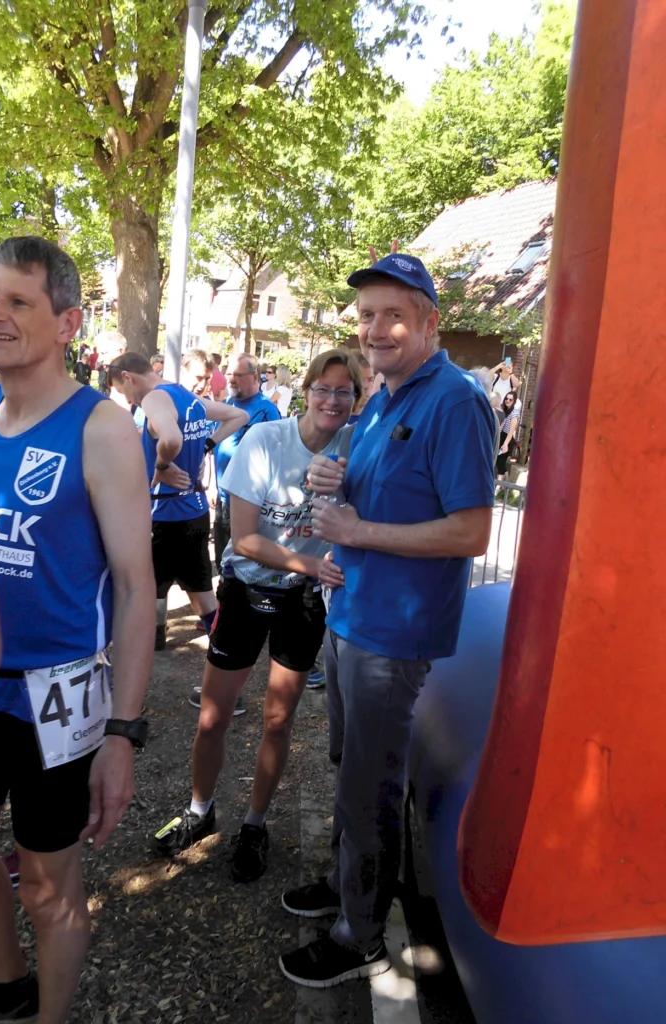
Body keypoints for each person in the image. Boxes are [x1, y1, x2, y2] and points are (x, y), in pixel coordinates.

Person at [0, 236, 156, 1024]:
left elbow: (137, 589)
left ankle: (52, 1017)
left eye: (17, 301)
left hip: (55, 702)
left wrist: (124, 734)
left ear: (67, 322)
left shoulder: (99, 429)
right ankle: (7, 985)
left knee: (46, 883)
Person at [278, 252, 494, 988]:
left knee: (369, 783)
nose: (375, 329)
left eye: (393, 315)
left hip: (393, 634)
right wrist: (333, 481)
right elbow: (368, 501)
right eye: (367, 315)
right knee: (351, 774)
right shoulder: (385, 397)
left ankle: (360, 932)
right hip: (352, 615)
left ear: (429, 322)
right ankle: (348, 887)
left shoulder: (454, 399)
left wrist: (359, 533)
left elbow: (470, 532)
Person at [153, 349, 362, 885]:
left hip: (303, 602)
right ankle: (201, 811)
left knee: (277, 720)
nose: (332, 400)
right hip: (246, 593)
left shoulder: (355, 447)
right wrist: (312, 560)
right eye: (323, 387)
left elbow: (366, 515)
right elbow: (244, 538)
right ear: (306, 389)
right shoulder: (265, 440)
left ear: (356, 400)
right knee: (214, 716)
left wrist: (344, 519)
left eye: (345, 391)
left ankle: (255, 823)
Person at [107, 349, 248, 658]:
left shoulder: (154, 399)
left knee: (142, 592)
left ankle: (140, 667)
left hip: (164, 514)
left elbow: (171, 439)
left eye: (123, 391)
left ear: (128, 377)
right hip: (194, 513)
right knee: (202, 598)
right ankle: (227, 662)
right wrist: (208, 445)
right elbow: (239, 415)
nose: (129, 400)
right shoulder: (187, 396)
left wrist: (161, 466)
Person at [212, 354, 281, 572]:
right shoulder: (227, 405)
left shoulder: (266, 409)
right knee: (223, 555)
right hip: (223, 493)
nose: (231, 379)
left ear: (254, 377)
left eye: (238, 375)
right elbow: (215, 446)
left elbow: (277, 454)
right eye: (229, 374)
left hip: (246, 498)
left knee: (241, 557)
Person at [496, 390, 520, 479]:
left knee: (501, 461)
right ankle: (504, 481)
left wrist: (505, 444)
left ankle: (498, 488)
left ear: (514, 401)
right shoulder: (502, 409)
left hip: (507, 438)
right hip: (501, 436)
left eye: (510, 400)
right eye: (506, 398)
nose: (508, 401)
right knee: (498, 461)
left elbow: (511, 430)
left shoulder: (515, 412)